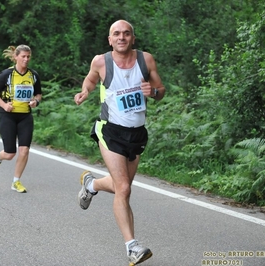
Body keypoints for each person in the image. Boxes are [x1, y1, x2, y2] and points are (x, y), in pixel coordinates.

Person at [74, 20, 165, 266]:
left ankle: (91, 185)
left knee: (119, 187)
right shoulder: (101, 61)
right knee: (124, 188)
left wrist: (153, 93)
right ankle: (132, 247)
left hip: (136, 133)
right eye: (117, 34)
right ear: (110, 39)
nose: (122, 37)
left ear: (133, 38)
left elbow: (160, 90)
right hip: (110, 131)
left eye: (126, 34)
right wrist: (85, 92)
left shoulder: (146, 60)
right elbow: (91, 80)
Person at [0, 45, 42, 193]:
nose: (26, 59)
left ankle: (16, 181)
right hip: (8, 116)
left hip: (25, 116)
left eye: (28, 57)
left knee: (24, 151)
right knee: (10, 153)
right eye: (23, 56)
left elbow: (38, 94)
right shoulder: (7, 74)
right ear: (16, 57)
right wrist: (4, 105)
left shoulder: (33, 75)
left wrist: (35, 102)